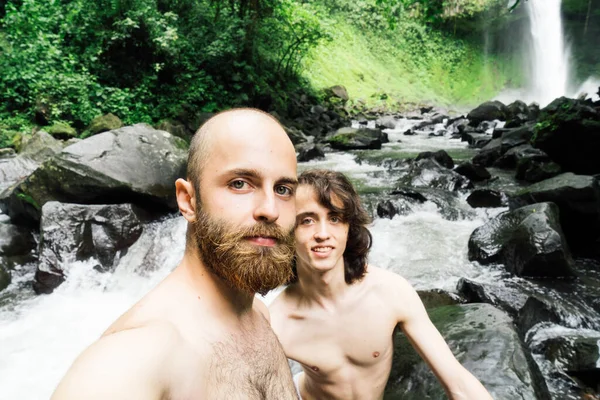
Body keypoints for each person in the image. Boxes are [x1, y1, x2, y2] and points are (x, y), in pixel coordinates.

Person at [52, 109, 301, 399]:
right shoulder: (131, 360)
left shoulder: (258, 314)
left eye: (283, 189)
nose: (270, 210)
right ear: (188, 200)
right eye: (240, 183)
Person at [269, 169, 494, 400]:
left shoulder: (390, 292)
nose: (323, 233)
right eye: (307, 221)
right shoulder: (277, 321)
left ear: (349, 228)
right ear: (288, 232)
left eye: (335, 218)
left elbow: (459, 384)